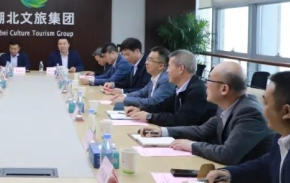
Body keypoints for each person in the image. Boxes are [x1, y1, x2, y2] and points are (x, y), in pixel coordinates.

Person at [139, 62, 273, 164]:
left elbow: (227, 154)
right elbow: (202, 130)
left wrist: (191, 145)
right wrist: (163, 131)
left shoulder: (249, 113)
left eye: (209, 80)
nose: (205, 84)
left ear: (224, 89)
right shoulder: (227, 105)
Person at [126, 50, 216, 126]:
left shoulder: (197, 90)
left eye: (169, 66)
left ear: (181, 69)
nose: (167, 71)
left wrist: (149, 117)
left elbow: (180, 121)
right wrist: (141, 109)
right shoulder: (182, 87)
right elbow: (163, 105)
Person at [109, 46, 175, 109]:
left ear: (160, 66)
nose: (146, 62)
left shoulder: (166, 80)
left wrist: (125, 100)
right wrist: (124, 95)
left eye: (150, 60)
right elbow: (142, 93)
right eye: (147, 59)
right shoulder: (155, 77)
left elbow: (152, 102)